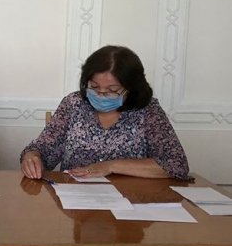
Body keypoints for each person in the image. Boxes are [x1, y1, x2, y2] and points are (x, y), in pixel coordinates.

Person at [20, 45, 190, 180]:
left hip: (131, 202)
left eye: (112, 90)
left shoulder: (148, 110)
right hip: (76, 200)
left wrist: (111, 166)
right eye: (94, 87)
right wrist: (32, 157)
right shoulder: (73, 104)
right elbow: (42, 150)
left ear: (131, 88)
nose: (101, 94)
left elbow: (176, 165)